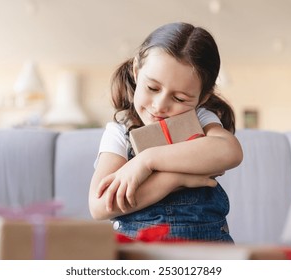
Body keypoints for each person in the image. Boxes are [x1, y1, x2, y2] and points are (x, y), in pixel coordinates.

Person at [89, 22, 243, 242]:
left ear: (203, 97)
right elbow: (100, 206)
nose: (160, 106)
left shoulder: (201, 119)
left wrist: (146, 161)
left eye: (179, 98)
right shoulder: (120, 132)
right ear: (136, 71)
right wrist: (174, 179)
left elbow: (230, 151)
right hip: (141, 256)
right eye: (152, 88)